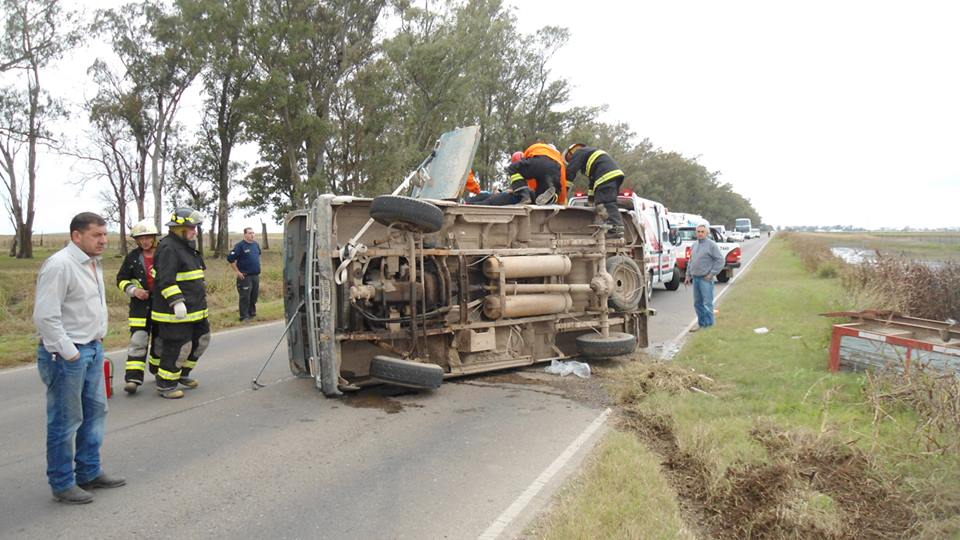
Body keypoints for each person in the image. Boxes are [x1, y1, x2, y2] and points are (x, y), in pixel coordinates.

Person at [33, 212, 126, 504]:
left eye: (104, 234)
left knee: (96, 413)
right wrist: (70, 352)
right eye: (96, 235)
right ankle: (62, 482)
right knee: (66, 419)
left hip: (92, 348)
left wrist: (97, 337)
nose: (104, 240)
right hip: (66, 355)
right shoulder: (60, 265)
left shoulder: (92, 263)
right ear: (77, 236)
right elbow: (46, 316)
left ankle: (89, 471)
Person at [151, 207, 211, 399]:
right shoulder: (169, 247)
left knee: (202, 339)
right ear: (179, 228)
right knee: (179, 346)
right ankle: (166, 384)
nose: (195, 231)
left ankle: (181, 374)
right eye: (192, 227)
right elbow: (165, 280)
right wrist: (176, 301)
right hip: (175, 312)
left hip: (196, 308)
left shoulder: (186, 246)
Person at [117, 219, 161, 394]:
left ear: (154, 237)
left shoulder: (164, 255)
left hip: (161, 307)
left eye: (148, 237)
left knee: (160, 341)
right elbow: (121, 279)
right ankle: (133, 378)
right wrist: (134, 290)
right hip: (139, 308)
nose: (144, 241)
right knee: (138, 341)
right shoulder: (133, 258)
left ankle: (159, 372)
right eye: (140, 238)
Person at [564, 143, 626, 237]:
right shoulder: (591, 155)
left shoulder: (579, 152)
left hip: (606, 175)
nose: (570, 161)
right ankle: (615, 227)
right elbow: (592, 184)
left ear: (571, 152)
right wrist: (590, 201)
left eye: (569, 159)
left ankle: (615, 228)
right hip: (614, 175)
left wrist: (565, 189)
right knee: (606, 201)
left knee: (605, 202)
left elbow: (570, 171)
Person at [685, 223, 725, 332]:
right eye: (698, 231)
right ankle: (701, 323)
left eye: (702, 231)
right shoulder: (694, 245)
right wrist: (687, 275)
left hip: (705, 279)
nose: (700, 233)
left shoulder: (711, 245)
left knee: (707, 303)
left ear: (707, 233)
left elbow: (720, 260)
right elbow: (691, 261)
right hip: (695, 278)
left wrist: (712, 274)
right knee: (697, 303)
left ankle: (709, 326)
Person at [227, 227, 262, 321]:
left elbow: (258, 256)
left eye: (253, 233)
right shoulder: (240, 246)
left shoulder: (256, 245)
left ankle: (252, 313)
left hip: (255, 275)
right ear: (245, 234)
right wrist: (237, 271)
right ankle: (244, 316)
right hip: (245, 276)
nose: (252, 235)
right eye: (250, 233)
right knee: (245, 297)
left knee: (254, 296)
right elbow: (231, 259)